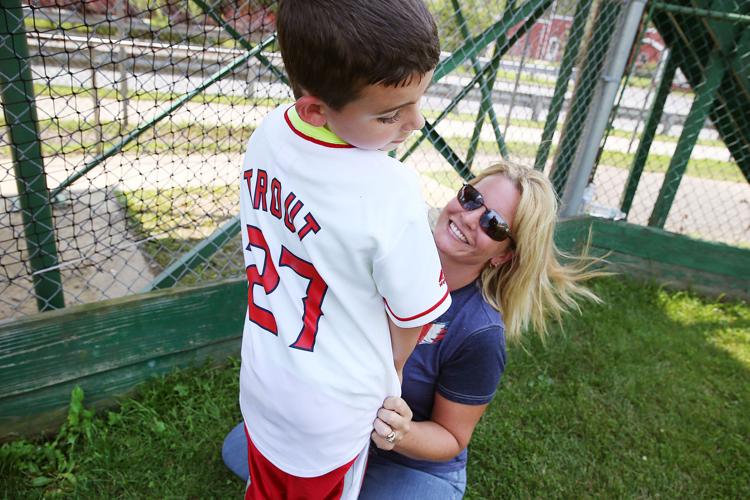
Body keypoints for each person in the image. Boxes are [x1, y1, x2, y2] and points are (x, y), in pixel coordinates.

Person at [225, 161, 602, 498]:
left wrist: (400, 433)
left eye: (494, 225)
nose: (470, 218)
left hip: (410, 461)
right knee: (237, 449)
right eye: (472, 198)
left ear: (503, 255)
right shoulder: (384, 250)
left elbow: (452, 438)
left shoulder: (479, 332)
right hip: (339, 427)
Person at [237, 1, 450, 498]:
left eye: (420, 99)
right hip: (332, 412)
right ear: (316, 108)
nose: (414, 122)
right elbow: (411, 316)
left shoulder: (269, 134)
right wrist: (389, 371)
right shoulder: (389, 189)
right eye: (390, 114)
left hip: (265, 376)